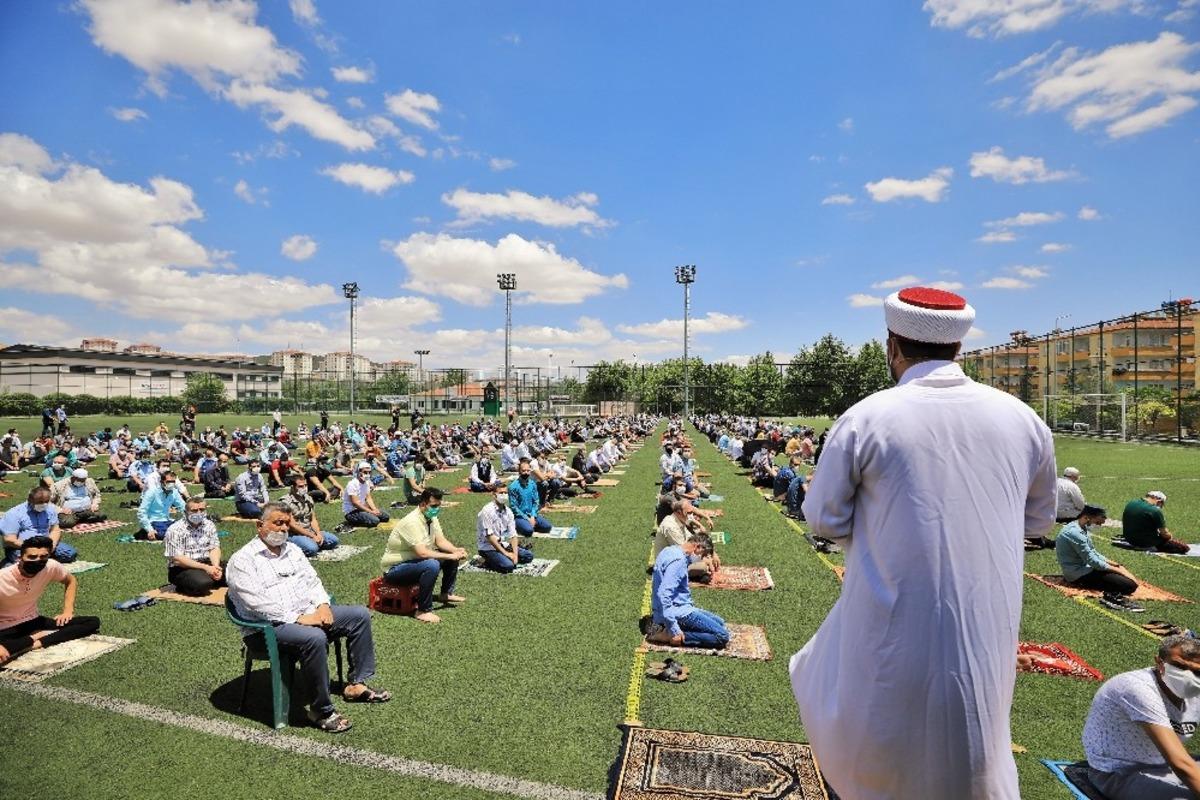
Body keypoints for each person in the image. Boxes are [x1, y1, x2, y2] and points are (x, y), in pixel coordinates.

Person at [789, 286, 1057, 800]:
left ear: (892, 346)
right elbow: (1039, 522)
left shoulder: (867, 417)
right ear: (959, 348)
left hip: (888, 624)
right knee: (973, 753)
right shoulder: (1023, 419)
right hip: (986, 628)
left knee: (874, 752)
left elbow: (823, 518)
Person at [226, 503, 390, 732]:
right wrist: (299, 617)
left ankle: (356, 683)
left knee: (359, 615)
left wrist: (322, 606)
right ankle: (321, 710)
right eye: (277, 523)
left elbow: (312, 581)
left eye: (286, 524)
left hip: (306, 614)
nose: (282, 529)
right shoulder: (242, 560)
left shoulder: (292, 550)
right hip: (266, 628)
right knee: (314, 638)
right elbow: (255, 602)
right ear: (259, 525)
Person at [1082, 634, 1200, 798]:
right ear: (1159, 663)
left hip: (1166, 765)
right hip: (1120, 772)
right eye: (1179, 667)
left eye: (1197, 671)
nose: (1189, 676)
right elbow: (1180, 763)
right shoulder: (1137, 688)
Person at [0, 536, 100, 666]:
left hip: (33, 621)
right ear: (20, 558)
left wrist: (68, 610)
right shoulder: (2, 578)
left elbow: (70, 580)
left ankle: (34, 643)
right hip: (5, 628)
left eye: (43, 557)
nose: (38, 561)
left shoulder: (51, 566)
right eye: (32, 557)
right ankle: (38, 637)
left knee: (91, 622)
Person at [380, 488, 466, 623]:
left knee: (448, 555)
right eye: (433, 506)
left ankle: (446, 594)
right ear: (422, 504)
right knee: (432, 564)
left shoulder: (431, 517)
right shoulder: (412, 522)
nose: (436, 509)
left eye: (438, 505)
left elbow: (440, 541)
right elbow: (422, 552)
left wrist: (456, 551)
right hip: (394, 569)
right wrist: (450, 556)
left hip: (415, 562)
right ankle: (422, 610)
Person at [645, 532, 729, 649]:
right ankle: (672, 635)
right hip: (678, 612)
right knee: (722, 635)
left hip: (677, 608)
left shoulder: (670, 550)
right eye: (703, 555)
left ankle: (668, 627)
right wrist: (673, 629)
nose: (702, 559)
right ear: (698, 547)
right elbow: (664, 595)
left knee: (720, 622)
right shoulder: (678, 562)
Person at [1056, 504, 1143, 612]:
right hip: (1078, 574)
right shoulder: (1075, 533)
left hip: (1085, 568)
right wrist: (1119, 570)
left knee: (1121, 573)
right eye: (1097, 523)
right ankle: (1110, 597)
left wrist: (1113, 563)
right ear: (1087, 517)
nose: (1098, 526)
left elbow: (1092, 552)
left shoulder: (1079, 527)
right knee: (1130, 585)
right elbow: (1092, 561)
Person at [162, 498, 224, 596]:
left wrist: (215, 566)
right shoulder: (174, 530)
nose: (199, 513)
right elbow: (177, 559)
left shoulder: (209, 524)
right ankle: (185, 585)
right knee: (203, 583)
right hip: (183, 568)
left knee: (236, 570)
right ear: (185, 512)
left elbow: (214, 547)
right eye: (194, 511)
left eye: (202, 510)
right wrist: (206, 568)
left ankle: (210, 577)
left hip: (207, 562)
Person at [1, 487, 77, 564]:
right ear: (30, 500)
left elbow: (55, 530)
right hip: (21, 547)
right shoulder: (14, 513)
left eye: (46, 501)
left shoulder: (50, 509)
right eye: (40, 502)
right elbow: (10, 540)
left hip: (46, 545)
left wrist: (52, 545)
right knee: (31, 562)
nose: (43, 504)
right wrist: (34, 548)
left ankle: (42, 559)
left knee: (69, 553)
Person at [654, 499, 720, 582]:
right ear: (679, 512)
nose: (691, 515)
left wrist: (712, 553)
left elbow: (693, 539)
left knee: (704, 559)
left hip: (678, 558)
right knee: (703, 566)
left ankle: (695, 574)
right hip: (667, 564)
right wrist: (704, 559)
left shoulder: (680, 519)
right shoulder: (670, 526)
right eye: (688, 513)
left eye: (691, 512)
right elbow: (684, 552)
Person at [475, 484, 532, 573]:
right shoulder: (487, 511)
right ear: (494, 495)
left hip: (502, 544)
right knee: (508, 566)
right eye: (501, 493)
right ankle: (487, 561)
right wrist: (506, 554)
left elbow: (513, 535)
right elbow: (490, 537)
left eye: (505, 493)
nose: (504, 495)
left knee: (528, 556)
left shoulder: (508, 512)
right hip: (487, 547)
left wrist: (515, 555)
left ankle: (501, 558)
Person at [280, 474, 339, 557]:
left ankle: (310, 542)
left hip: (309, 530)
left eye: (305, 485)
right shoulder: (285, 502)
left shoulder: (308, 498)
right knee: (312, 549)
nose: (304, 488)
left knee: (334, 540)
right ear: (292, 487)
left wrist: (318, 534)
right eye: (300, 486)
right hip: (294, 534)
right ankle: (291, 545)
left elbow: (312, 519)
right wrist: (311, 536)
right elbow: (292, 525)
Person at [1124, 491, 1189, 554]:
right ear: (1159, 501)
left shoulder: (1131, 503)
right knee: (1183, 548)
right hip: (1144, 542)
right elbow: (1164, 534)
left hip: (1129, 539)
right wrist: (1170, 537)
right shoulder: (1154, 511)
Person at [137, 470, 187, 541]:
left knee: (184, 531)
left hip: (167, 520)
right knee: (168, 535)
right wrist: (149, 529)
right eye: (169, 482)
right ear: (162, 482)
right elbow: (141, 512)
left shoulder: (174, 492)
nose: (171, 484)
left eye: (173, 482)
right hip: (153, 521)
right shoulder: (152, 492)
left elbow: (183, 507)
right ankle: (146, 532)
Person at [508, 458, 551, 537]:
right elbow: (514, 507)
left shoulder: (532, 484)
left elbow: (536, 501)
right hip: (519, 516)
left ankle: (530, 524)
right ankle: (517, 525)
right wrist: (527, 519)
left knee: (547, 527)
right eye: (523, 471)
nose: (526, 473)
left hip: (531, 514)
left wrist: (532, 516)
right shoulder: (513, 487)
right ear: (519, 472)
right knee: (528, 531)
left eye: (528, 471)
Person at [343, 462, 390, 528]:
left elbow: (368, 498)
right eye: (365, 472)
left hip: (362, 508)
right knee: (375, 521)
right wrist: (371, 511)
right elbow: (355, 503)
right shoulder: (352, 484)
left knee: (385, 516)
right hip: (352, 512)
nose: (367, 474)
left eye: (369, 472)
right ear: (359, 472)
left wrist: (374, 509)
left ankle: (367, 516)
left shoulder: (367, 482)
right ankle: (351, 521)